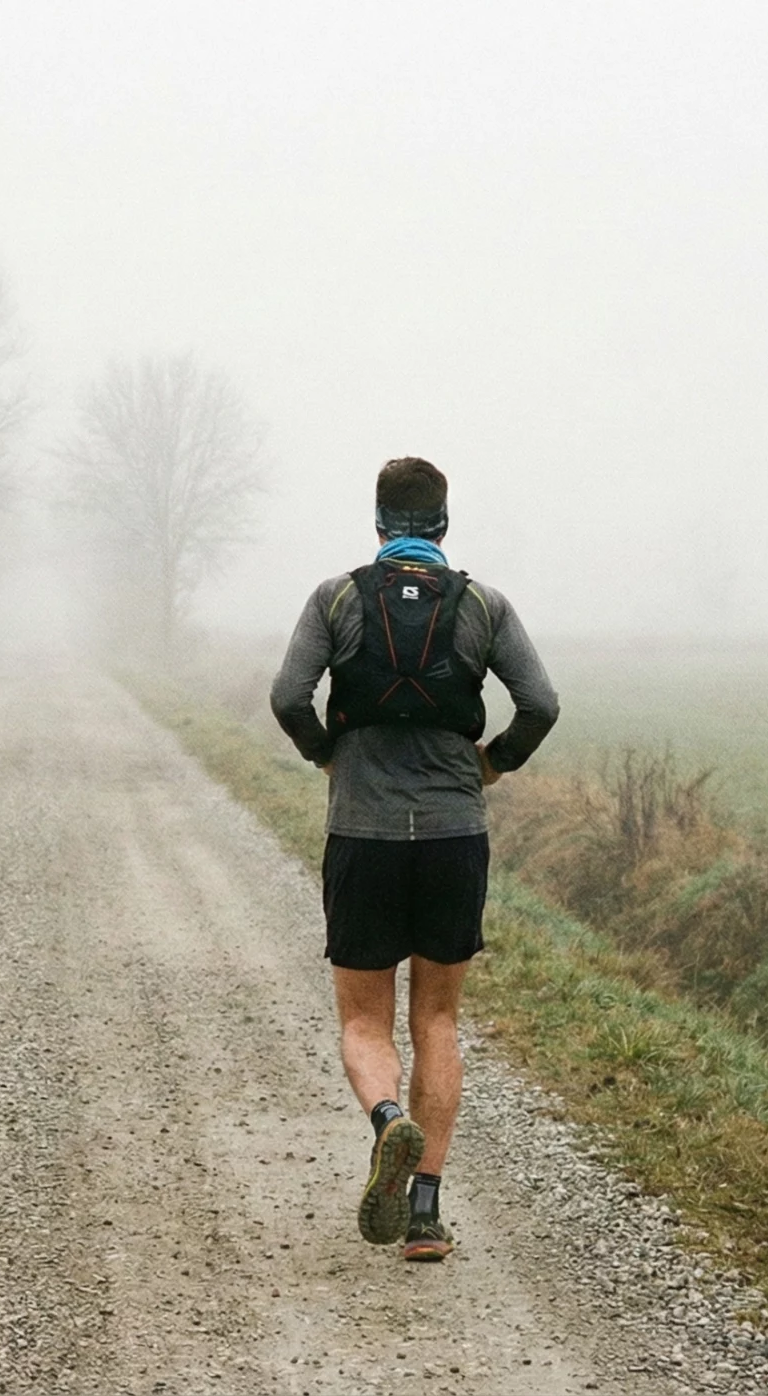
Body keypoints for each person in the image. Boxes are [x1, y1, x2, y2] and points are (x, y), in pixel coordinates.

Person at [269, 456, 560, 1262]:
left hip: (361, 831)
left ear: (377, 523)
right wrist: (491, 764)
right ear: (442, 525)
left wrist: (328, 755)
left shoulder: (335, 598)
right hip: (452, 836)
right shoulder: (482, 605)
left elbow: (288, 695)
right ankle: (425, 1213)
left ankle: (386, 1120)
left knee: (364, 1019)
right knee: (437, 1017)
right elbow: (542, 703)